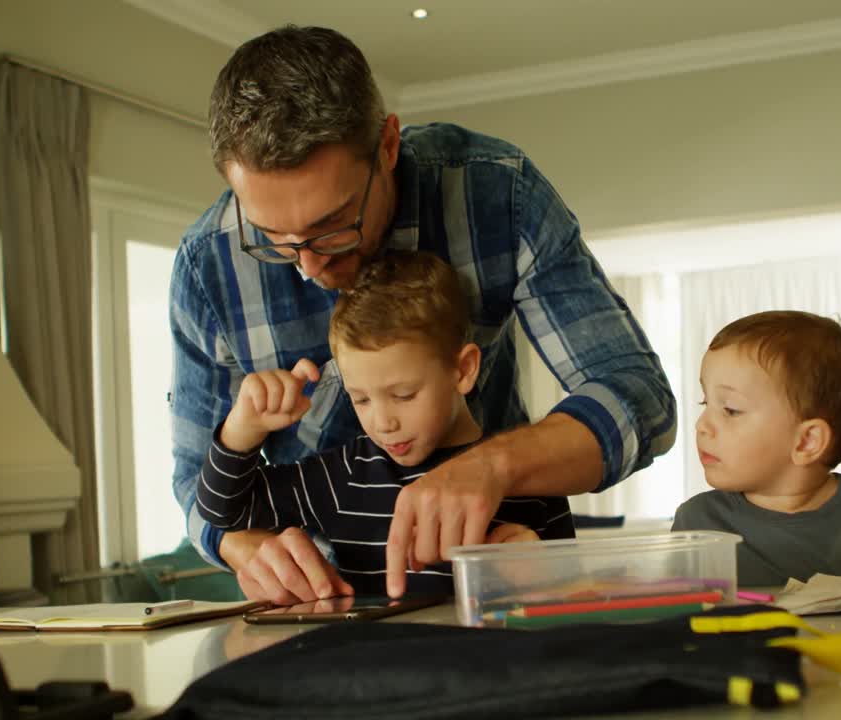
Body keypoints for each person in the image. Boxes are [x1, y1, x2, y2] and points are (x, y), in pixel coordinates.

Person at [171, 25, 674, 600]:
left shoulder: (497, 196)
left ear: (388, 146)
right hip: (322, 610)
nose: (306, 265)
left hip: (489, 599)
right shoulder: (205, 265)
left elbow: (642, 399)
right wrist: (244, 546)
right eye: (270, 236)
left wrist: (495, 468)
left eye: (333, 226)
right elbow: (198, 487)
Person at [196, 251, 569, 600]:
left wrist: (541, 573)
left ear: (463, 370)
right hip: (368, 667)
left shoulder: (530, 479)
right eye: (360, 399)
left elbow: (572, 603)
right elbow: (223, 512)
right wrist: (243, 429)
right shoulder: (343, 475)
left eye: (404, 395)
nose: (383, 422)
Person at [672, 311, 841, 586]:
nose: (701, 425)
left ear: (807, 441)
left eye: (730, 409)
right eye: (705, 404)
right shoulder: (697, 522)